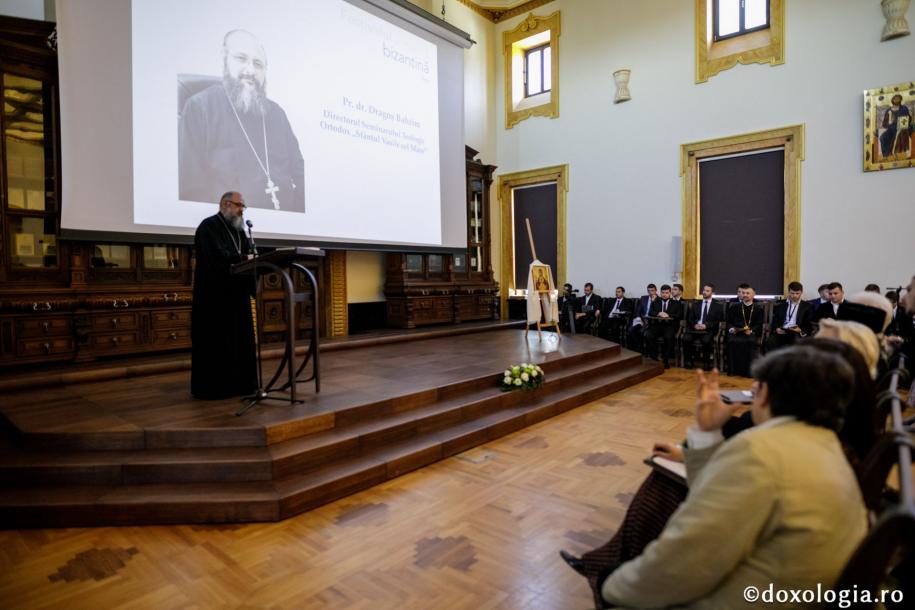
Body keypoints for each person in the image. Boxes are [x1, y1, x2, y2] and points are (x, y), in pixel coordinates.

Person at [561, 339, 879, 609]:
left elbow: (686, 558)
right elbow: (716, 496)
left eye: (756, 387)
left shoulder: (761, 451)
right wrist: (707, 431)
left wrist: (611, 585)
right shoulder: (824, 445)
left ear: (765, 395)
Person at [179, 30, 305, 212]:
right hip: (230, 232)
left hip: (284, 232)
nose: (250, 70)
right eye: (241, 59)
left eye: (258, 64)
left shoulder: (277, 114)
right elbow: (191, 189)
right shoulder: (200, 108)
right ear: (224, 61)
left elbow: (301, 174)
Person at [191, 191, 258, 399]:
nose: (242, 210)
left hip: (237, 298)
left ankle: (242, 385)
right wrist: (242, 258)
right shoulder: (208, 227)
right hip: (214, 299)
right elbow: (215, 258)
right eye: (239, 205)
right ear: (226, 204)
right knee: (217, 345)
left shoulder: (240, 231)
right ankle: (215, 389)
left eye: (243, 207)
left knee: (240, 342)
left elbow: (247, 255)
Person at [683, 282, 725, 370]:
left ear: (712, 293)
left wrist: (706, 326)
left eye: (707, 291)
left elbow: (718, 321)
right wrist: (695, 325)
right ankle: (689, 361)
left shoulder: (718, 306)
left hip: (708, 329)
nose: (704, 292)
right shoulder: (696, 304)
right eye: (704, 290)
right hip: (695, 329)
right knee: (686, 339)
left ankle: (706, 363)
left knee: (706, 341)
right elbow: (690, 318)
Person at [725, 284, 764, 376]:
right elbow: (729, 322)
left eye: (747, 293)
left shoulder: (758, 309)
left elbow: (759, 324)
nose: (745, 295)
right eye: (743, 293)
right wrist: (731, 329)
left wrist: (751, 331)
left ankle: (748, 372)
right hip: (736, 333)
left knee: (750, 342)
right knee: (731, 341)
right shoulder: (734, 307)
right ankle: (733, 371)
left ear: (753, 294)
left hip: (750, 334)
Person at [643, 284, 682, 368]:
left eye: (667, 293)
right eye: (663, 292)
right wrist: (658, 313)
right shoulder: (656, 302)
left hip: (669, 326)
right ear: (660, 293)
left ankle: (665, 359)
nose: (664, 294)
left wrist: (667, 314)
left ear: (670, 293)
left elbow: (678, 315)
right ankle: (654, 358)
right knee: (649, 335)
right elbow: (650, 312)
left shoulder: (676, 303)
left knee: (668, 337)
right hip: (657, 325)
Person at [767, 281, 813, 350]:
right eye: (792, 293)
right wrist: (776, 328)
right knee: (771, 341)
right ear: (788, 292)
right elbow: (775, 320)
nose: (794, 295)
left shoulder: (807, 306)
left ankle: (792, 360)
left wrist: (800, 330)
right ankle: (775, 360)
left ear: (801, 292)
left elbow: (809, 324)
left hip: (796, 332)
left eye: (797, 293)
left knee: (795, 340)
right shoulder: (781, 305)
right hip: (783, 330)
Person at [878, 94, 912, 160]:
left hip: (901, 129)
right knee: (882, 137)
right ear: (892, 100)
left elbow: (909, 119)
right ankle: (886, 155)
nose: (896, 100)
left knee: (899, 136)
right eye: (895, 98)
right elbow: (884, 124)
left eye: (898, 98)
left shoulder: (904, 108)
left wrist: (906, 119)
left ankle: (898, 154)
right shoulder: (888, 110)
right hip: (891, 129)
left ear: (900, 99)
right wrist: (889, 122)